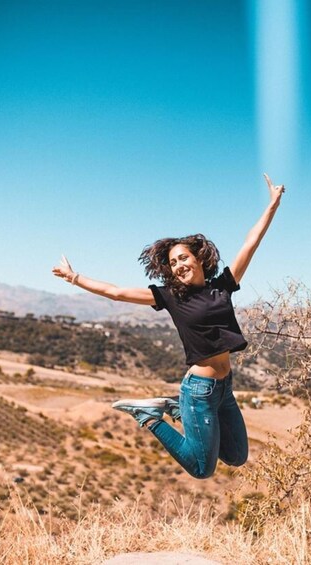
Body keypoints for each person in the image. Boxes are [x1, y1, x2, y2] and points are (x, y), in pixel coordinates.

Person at [52, 173, 285, 479]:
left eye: (183, 258)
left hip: (224, 387)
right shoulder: (170, 297)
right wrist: (75, 277)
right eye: (173, 263)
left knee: (237, 456)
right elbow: (117, 292)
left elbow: (250, 243)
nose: (178, 265)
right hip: (199, 389)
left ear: (200, 258)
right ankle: (149, 417)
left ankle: (177, 411)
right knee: (202, 469)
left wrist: (273, 204)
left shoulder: (223, 286)